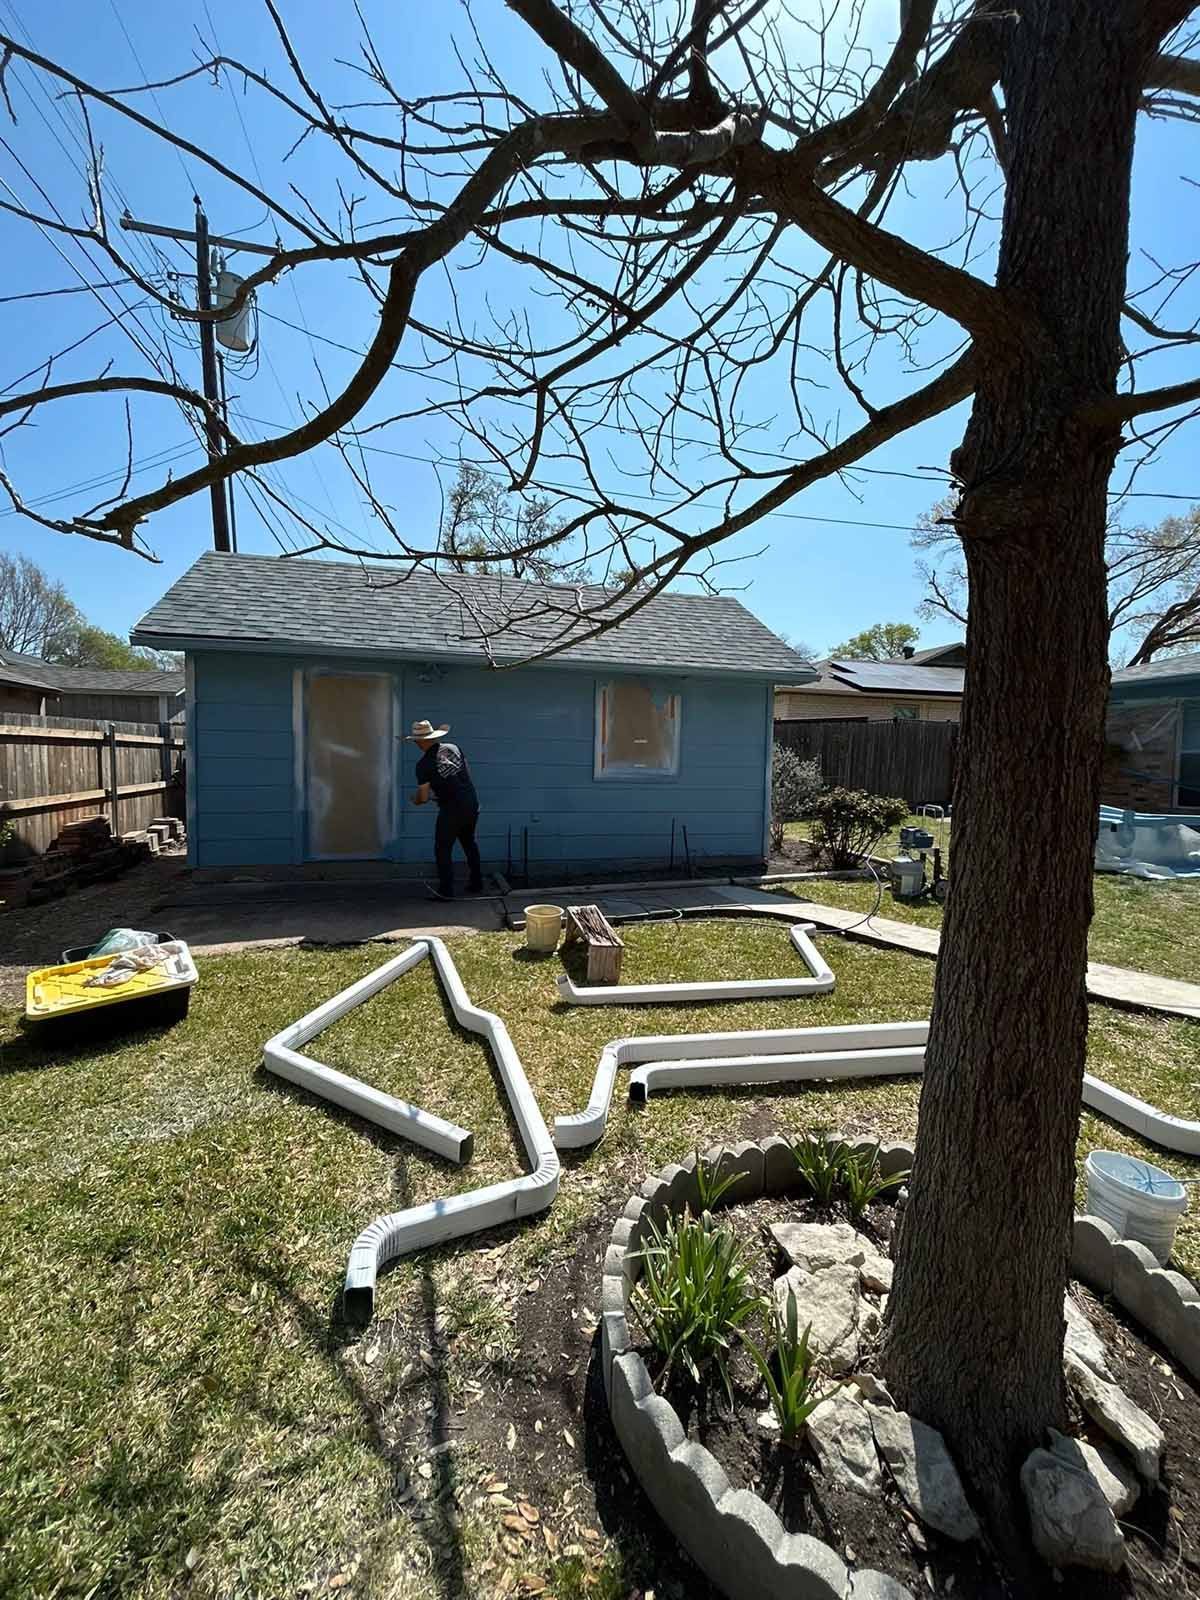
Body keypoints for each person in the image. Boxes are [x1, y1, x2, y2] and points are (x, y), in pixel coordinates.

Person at [407, 718, 483, 901]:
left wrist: (415, 799)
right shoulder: (453, 748)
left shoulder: (423, 765)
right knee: (469, 843)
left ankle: (446, 890)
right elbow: (466, 772)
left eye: (416, 740)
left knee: (442, 848)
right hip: (471, 802)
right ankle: (477, 883)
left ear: (421, 741)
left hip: (451, 808)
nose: (416, 744)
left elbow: (423, 797)